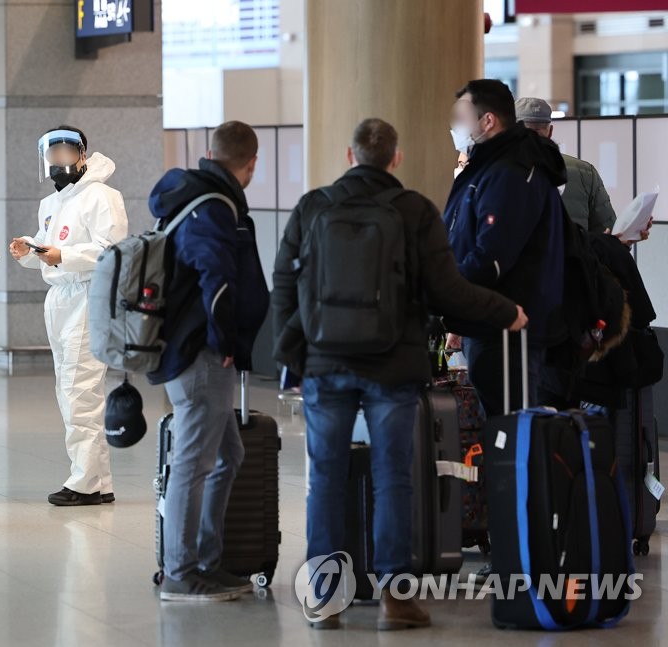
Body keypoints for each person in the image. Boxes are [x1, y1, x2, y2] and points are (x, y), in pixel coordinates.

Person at [273, 118, 528, 630]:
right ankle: (395, 599)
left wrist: (291, 354)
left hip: (325, 364)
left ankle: (325, 596)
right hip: (392, 367)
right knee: (394, 480)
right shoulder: (414, 211)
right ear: (396, 158)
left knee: (325, 478)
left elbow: (284, 281)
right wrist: (505, 312)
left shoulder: (313, 207)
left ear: (350, 155)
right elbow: (448, 291)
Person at [146, 120, 269, 602]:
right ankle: (181, 572)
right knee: (193, 463)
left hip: (191, 349)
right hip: (200, 353)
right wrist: (226, 342)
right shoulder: (213, 207)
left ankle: (206, 559)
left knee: (227, 455)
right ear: (251, 163)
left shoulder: (194, 197)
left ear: (210, 152)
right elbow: (215, 278)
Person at [9, 125, 127, 507]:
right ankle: (98, 479)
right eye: (52, 153)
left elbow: (113, 250)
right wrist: (29, 252)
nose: (59, 159)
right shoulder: (52, 203)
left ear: (82, 153)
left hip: (89, 297)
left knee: (81, 391)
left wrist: (64, 257)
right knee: (69, 391)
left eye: (66, 151)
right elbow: (52, 253)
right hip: (60, 299)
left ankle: (86, 483)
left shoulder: (102, 195)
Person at [444, 80, 566, 417]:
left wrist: (442, 289)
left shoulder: (511, 173)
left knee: (510, 432)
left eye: (462, 116)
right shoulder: (486, 168)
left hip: (509, 330)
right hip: (486, 321)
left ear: (488, 121)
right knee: (499, 430)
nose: (455, 126)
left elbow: (492, 256)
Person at [515, 97, 651, 244]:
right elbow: (609, 236)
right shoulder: (584, 172)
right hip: (574, 265)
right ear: (550, 132)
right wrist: (629, 235)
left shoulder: (498, 173)